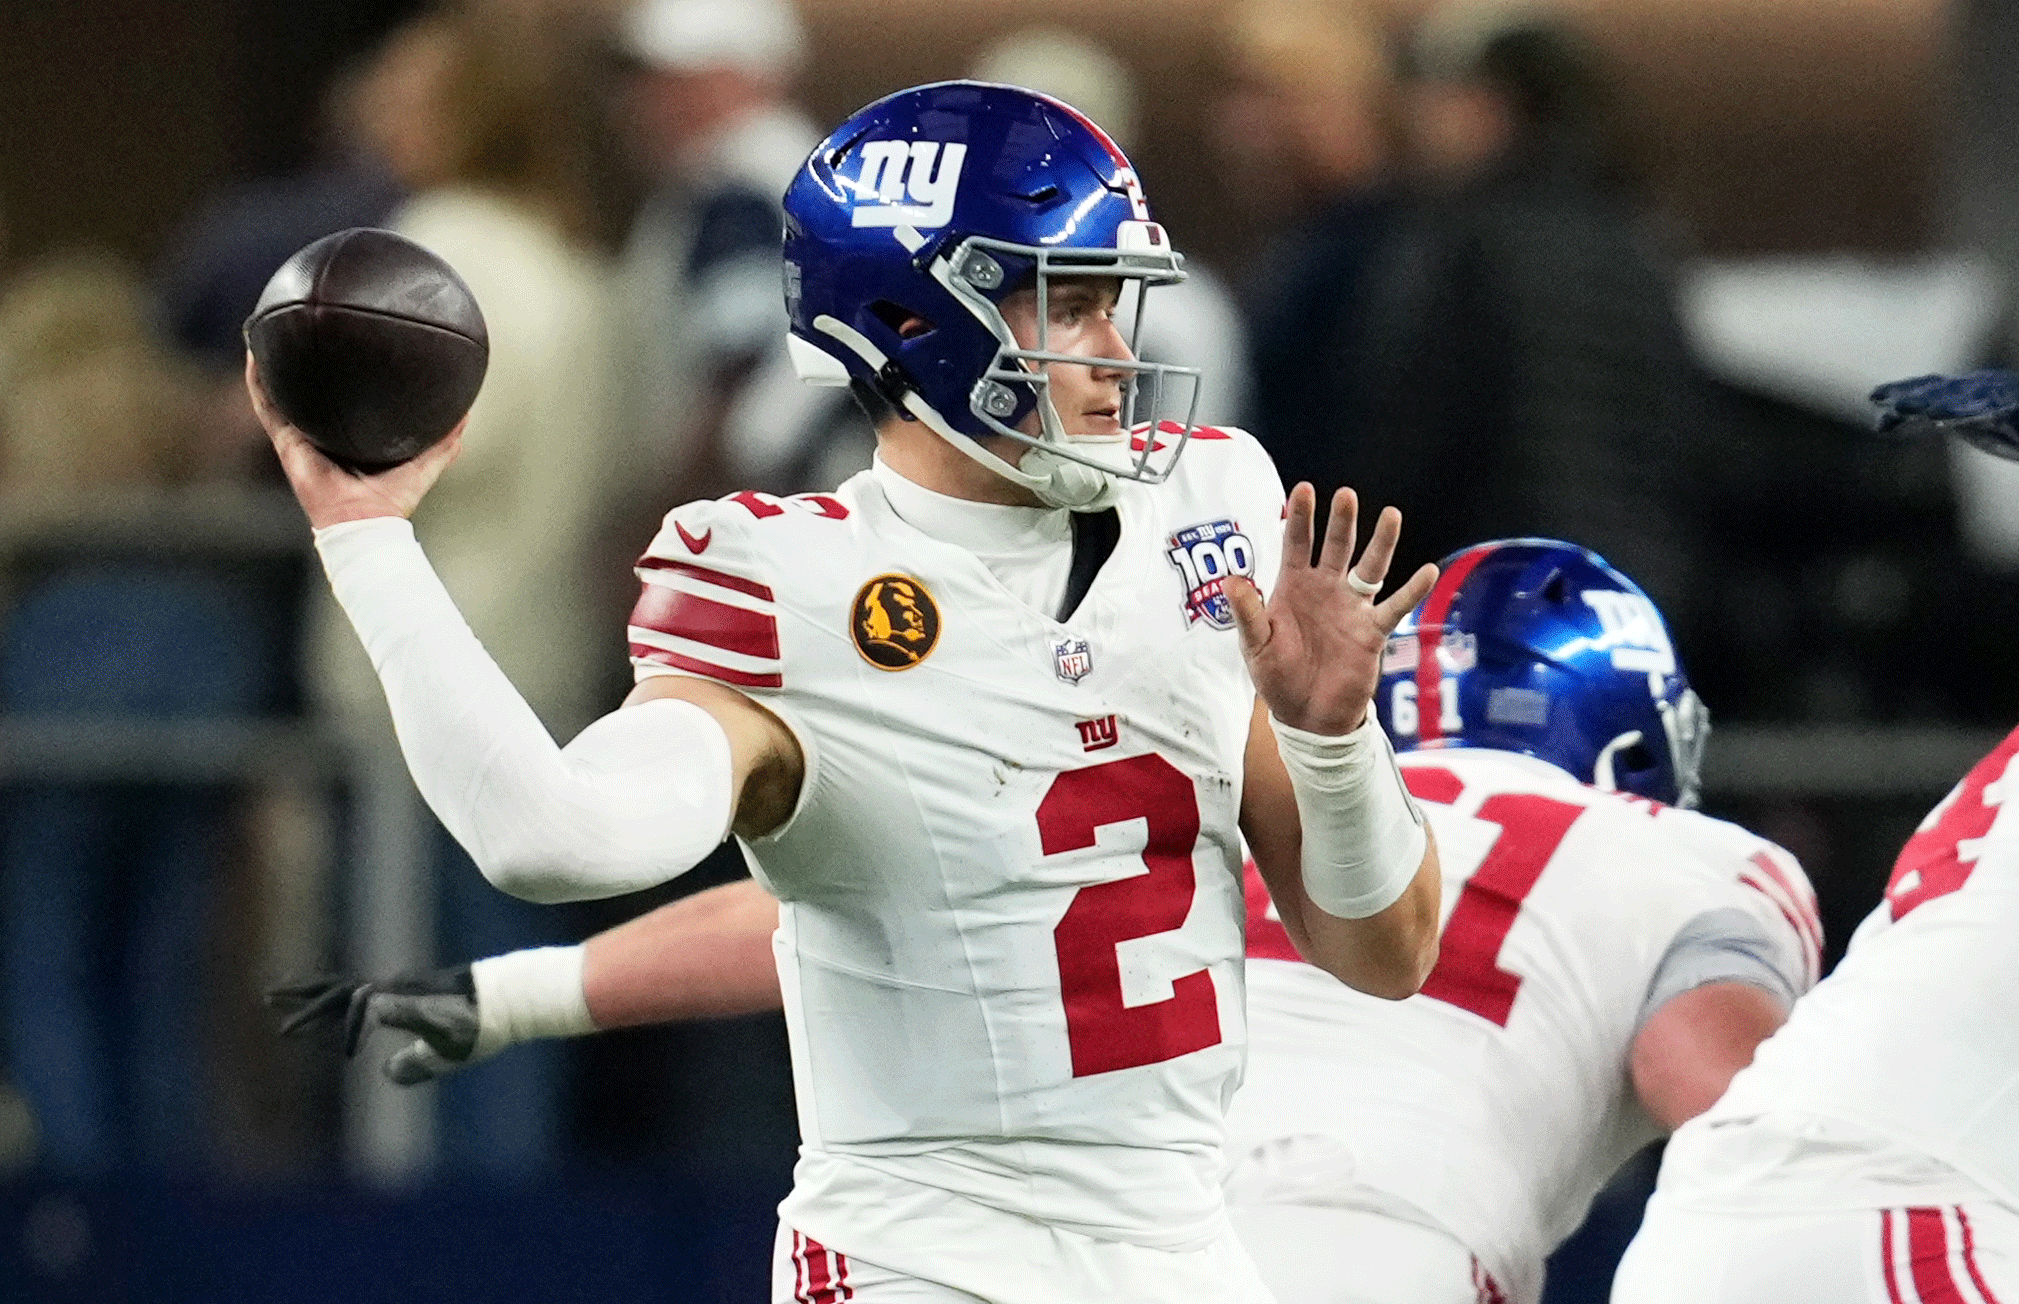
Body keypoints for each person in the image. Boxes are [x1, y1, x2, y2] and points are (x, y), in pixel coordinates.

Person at [256, 81, 1441, 1303]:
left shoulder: (1213, 504)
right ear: (919, 316)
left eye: (1118, 302)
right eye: (1072, 305)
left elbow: (1387, 951)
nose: (1119, 354)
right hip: (920, 1261)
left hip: (1185, 1248)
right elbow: (551, 832)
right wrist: (366, 536)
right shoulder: (790, 582)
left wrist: (1332, 739)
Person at [280, 539, 1816, 1304]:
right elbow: (1728, 1097)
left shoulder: (1258, 791)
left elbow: (820, 924)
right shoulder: (1684, 859)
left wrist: (518, 995)